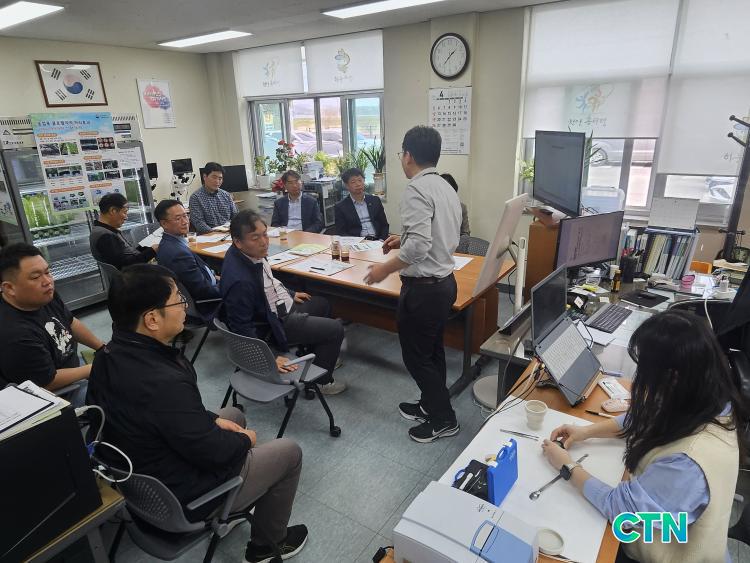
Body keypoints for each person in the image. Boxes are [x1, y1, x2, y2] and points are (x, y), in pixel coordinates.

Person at [86, 264, 308, 562]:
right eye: (177, 299)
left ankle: (241, 501)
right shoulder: (164, 381)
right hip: (182, 498)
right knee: (289, 452)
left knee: (232, 415)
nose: (184, 306)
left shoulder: (107, 355)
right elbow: (213, 452)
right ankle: (266, 546)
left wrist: (214, 422)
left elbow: (168, 417)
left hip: (143, 482)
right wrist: (247, 440)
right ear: (152, 319)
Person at [541, 309, 744, 562]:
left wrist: (567, 466)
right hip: (662, 527)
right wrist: (585, 431)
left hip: (665, 551)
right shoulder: (705, 398)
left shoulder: (689, 462)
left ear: (672, 377)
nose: (640, 380)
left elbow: (622, 512)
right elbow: (646, 416)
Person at [364, 126, 462, 442]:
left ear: (407, 155)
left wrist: (384, 269)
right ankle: (430, 404)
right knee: (432, 351)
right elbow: (437, 233)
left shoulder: (416, 190)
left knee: (417, 357)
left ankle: (444, 419)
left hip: (424, 291)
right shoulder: (444, 186)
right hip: (443, 283)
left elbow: (420, 246)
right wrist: (402, 239)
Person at [221, 210, 346, 395]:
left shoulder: (248, 253)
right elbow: (241, 327)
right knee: (336, 329)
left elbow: (269, 281)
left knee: (322, 304)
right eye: (255, 237)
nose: (264, 242)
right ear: (238, 242)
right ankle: (321, 383)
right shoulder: (240, 281)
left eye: (265, 234)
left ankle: (320, 360)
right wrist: (270, 357)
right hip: (275, 323)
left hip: (279, 305)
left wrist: (290, 293)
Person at [0, 243, 104, 407]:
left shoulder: (44, 295)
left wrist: (102, 348)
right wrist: (96, 367)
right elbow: (47, 381)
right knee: (122, 392)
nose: (48, 281)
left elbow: (70, 322)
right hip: (56, 396)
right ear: (9, 288)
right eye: (35, 277)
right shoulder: (14, 334)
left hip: (72, 367)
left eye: (47, 272)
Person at [154, 199, 221, 319]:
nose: (185, 222)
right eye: (178, 218)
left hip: (209, 286)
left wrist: (217, 277)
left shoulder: (172, 243)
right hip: (208, 305)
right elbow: (203, 291)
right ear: (164, 224)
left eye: (185, 216)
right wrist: (229, 285)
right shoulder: (177, 253)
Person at [90, 193, 157, 269]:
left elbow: (126, 254)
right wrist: (152, 251)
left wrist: (147, 248)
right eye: (125, 212)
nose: (126, 217)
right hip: (133, 274)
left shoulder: (102, 230)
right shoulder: (105, 237)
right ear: (113, 211)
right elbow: (126, 266)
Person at [334, 167, 389, 240]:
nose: (358, 184)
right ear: (347, 185)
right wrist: (357, 243)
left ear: (364, 181)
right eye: (353, 182)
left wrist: (381, 240)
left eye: (360, 180)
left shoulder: (375, 200)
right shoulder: (341, 207)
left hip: (378, 241)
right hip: (357, 242)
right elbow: (341, 232)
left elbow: (384, 225)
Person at [188, 162, 238, 234]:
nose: (217, 181)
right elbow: (199, 223)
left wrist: (233, 229)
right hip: (209, 235)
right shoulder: (195, 198)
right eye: (214, 177)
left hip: (228, 233)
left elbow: (235, 216)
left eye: (220, 178)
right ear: (205, 177)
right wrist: (216, 233)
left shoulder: (226, 195)